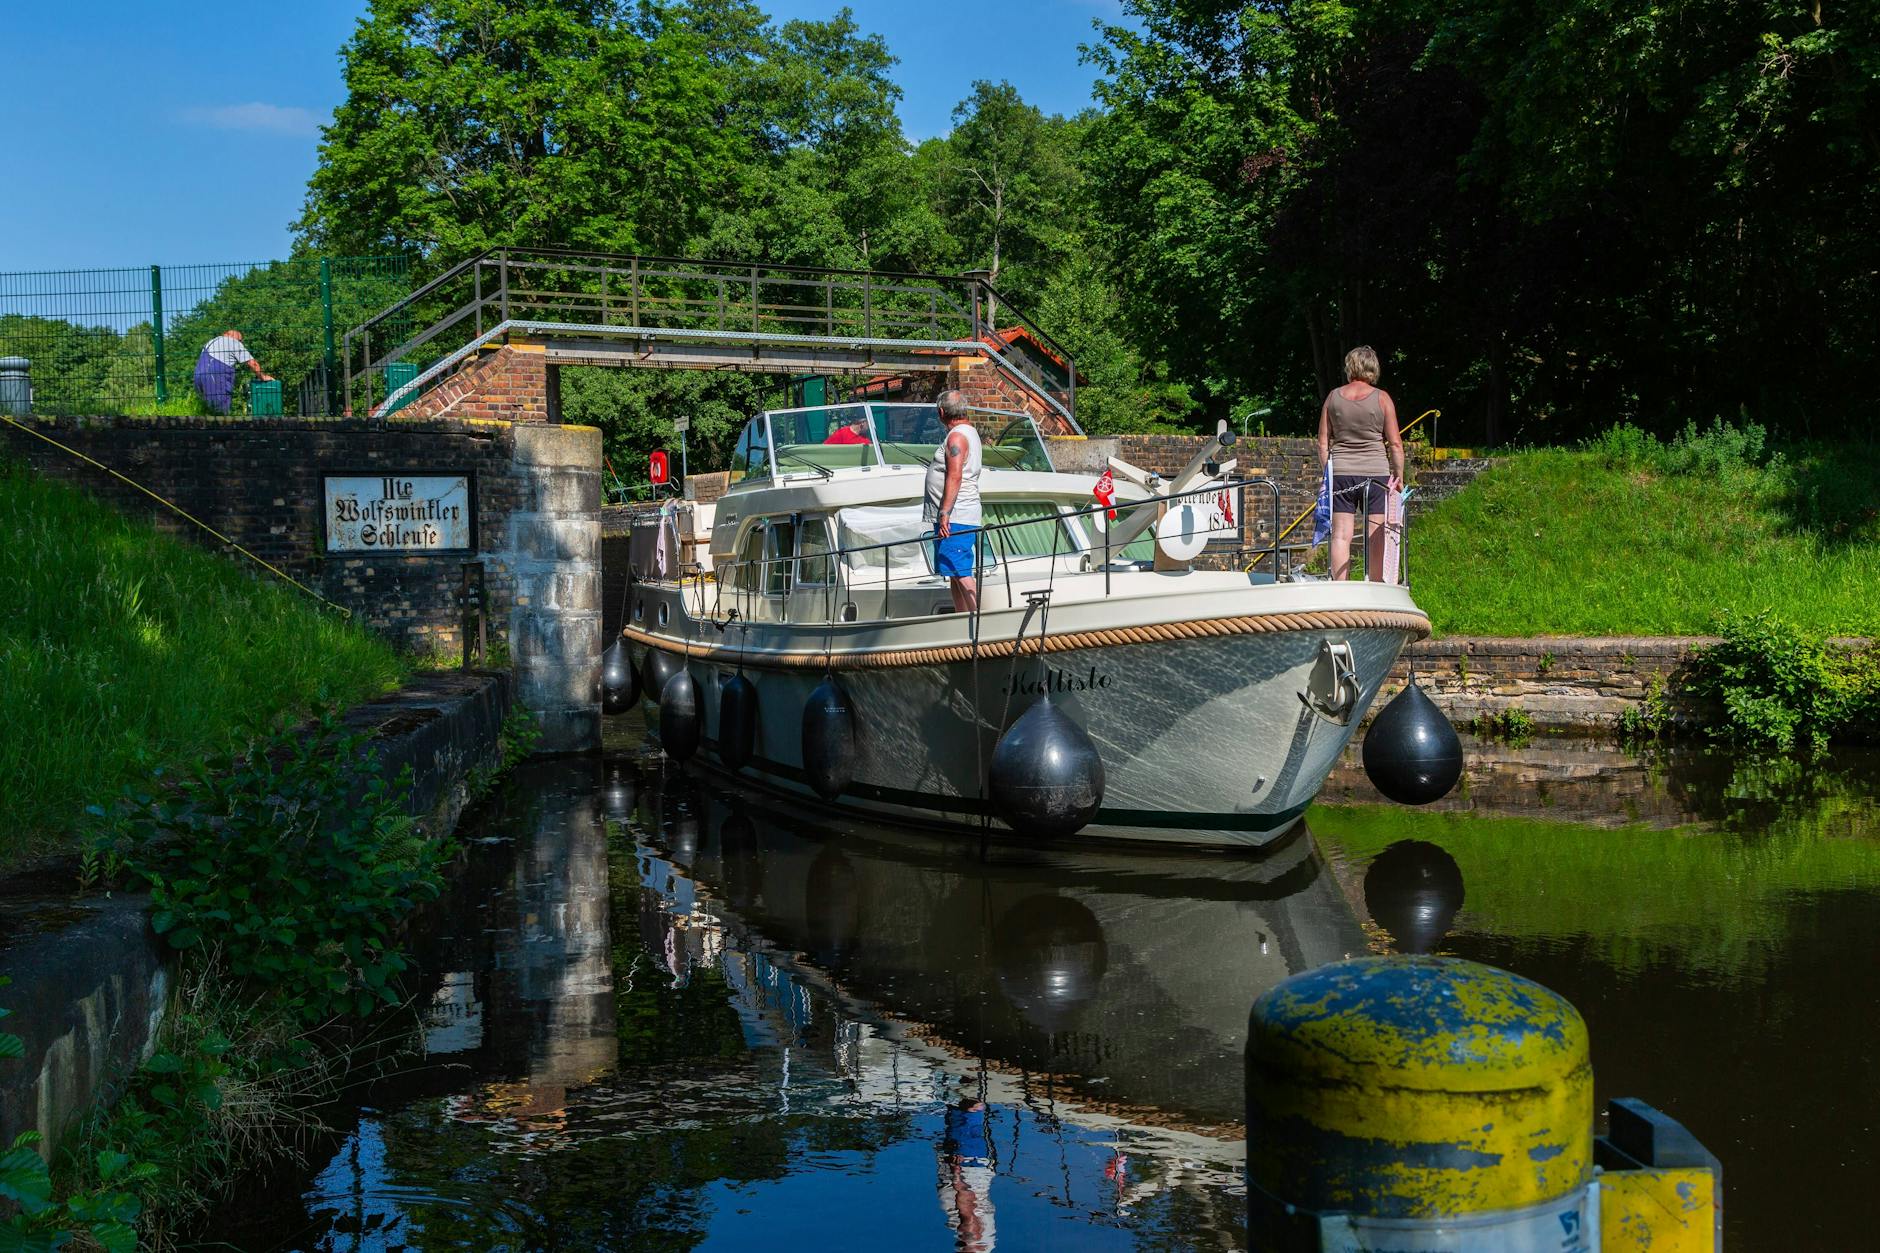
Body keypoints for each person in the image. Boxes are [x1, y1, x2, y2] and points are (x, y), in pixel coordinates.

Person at [1317, 345, 1404, 581]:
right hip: (1375, 474)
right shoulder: (1382, 398)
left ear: (1350, 367)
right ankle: (1376, 585)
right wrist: (1398, 478)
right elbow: (1395, 444)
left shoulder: (1333, 397)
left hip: (1342, 474)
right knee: (1376, 534)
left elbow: (1323, 443)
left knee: (1341, 535)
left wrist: (1329, 472)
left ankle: (1340, 588)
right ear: (1373, 368)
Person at [923, 389, 982, 613]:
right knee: (953, 572)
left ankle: (979, 620)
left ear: (941, 412)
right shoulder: (968, 432)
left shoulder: (957, 437)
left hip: (956, 515)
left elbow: (955, 475)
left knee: (960, 570)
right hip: (957, 515)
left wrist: (944, 512)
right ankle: (961, 619)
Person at [193, 329, 271, 415]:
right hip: (215, 376)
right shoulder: (233, 342)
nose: (241, 342)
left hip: (198, 375)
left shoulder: (211, 342)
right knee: (220, 412)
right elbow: (253, 363)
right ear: (233, 336)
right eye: (240, 340)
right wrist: (262, 377)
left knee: (206, 410)